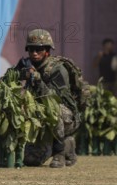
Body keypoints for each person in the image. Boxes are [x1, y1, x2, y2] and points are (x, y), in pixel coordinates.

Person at [13, 29, 79, 168]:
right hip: (39, 117)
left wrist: (37, 80)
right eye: (31, 50)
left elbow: (54, 98)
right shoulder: (26, 64)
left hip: (64, 117)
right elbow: (7, 80)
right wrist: (19, 74)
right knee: (30, 160)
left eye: (39, 49)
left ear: (47, 50)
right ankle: (65, 144)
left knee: (53, 109)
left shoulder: (57, 69)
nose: (34, 53)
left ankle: (60, 152)